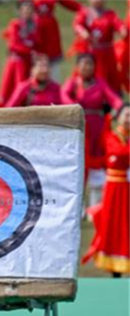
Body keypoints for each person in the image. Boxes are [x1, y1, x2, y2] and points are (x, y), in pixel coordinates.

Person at [61, 54, 124, 205]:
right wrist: (74, 108)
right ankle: (77, 205)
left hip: (98, 127)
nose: (86, 67)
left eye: (90, 64)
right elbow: (64, 96)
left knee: (98, 162)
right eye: (83, 64)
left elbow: (113, 98)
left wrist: (122, 110)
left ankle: (96, 204)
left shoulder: (100, 83)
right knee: (79, 164)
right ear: (77, 66)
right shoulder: (73, 83)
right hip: (79, 127)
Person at [83, 104, 129, 277]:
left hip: (127, 187)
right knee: (114, 224)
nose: (129, 119)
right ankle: (114, 265)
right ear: (118, 117)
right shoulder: (111, 136)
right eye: (127, 115)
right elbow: (117, 152)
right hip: (114, 188)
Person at [73, 0, 126, 93]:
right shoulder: (85, 12)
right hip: (91, 52)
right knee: (89, 72)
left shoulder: (110, 14)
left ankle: (111, 97)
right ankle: (87, 94)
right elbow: (77, 24)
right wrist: (82, 32)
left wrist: (122, 29)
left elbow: (117, 23)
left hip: (107, 53)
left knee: (110, 75)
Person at [0, 0, 40, 105]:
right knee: (15, 87)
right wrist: (30, 50)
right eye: (25, 8)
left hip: (29, 62)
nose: (28, 11)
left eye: (30, 8)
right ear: (20, 10)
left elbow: (37, 41)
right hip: (17, 62)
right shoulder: (15, 24)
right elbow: (14, 44)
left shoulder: (35, 25)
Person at [34, 0, 82, 77]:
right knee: (34, 58)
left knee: (53, 62)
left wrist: (82, 9)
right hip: (34, 28)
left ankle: (53, 86)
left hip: (50, 30)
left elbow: (68, 3)